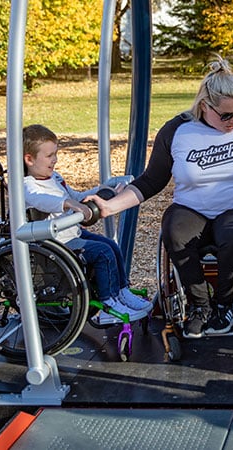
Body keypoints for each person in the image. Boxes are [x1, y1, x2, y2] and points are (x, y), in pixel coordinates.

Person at [85, 56, 233, 339]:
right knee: (174, 231)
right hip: (192, 207)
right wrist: (109, 206)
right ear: (204, 106)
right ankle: (200, 305)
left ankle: (223, 305)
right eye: (225, 115)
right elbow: (151, 181)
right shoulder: (177, 131)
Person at [22, 124, 152, 323]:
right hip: (56, 243)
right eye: (49, 156)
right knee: (102, 253)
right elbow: (41, 200)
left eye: (55, 154)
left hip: (71, 234)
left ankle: (121, 291)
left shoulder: (55, 177)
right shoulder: (27, 185)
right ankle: (108, 304)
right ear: (29, 159)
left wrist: (100, 190)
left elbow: (76, 196)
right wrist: (66, 203)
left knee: (111, 246)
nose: (54, 160)